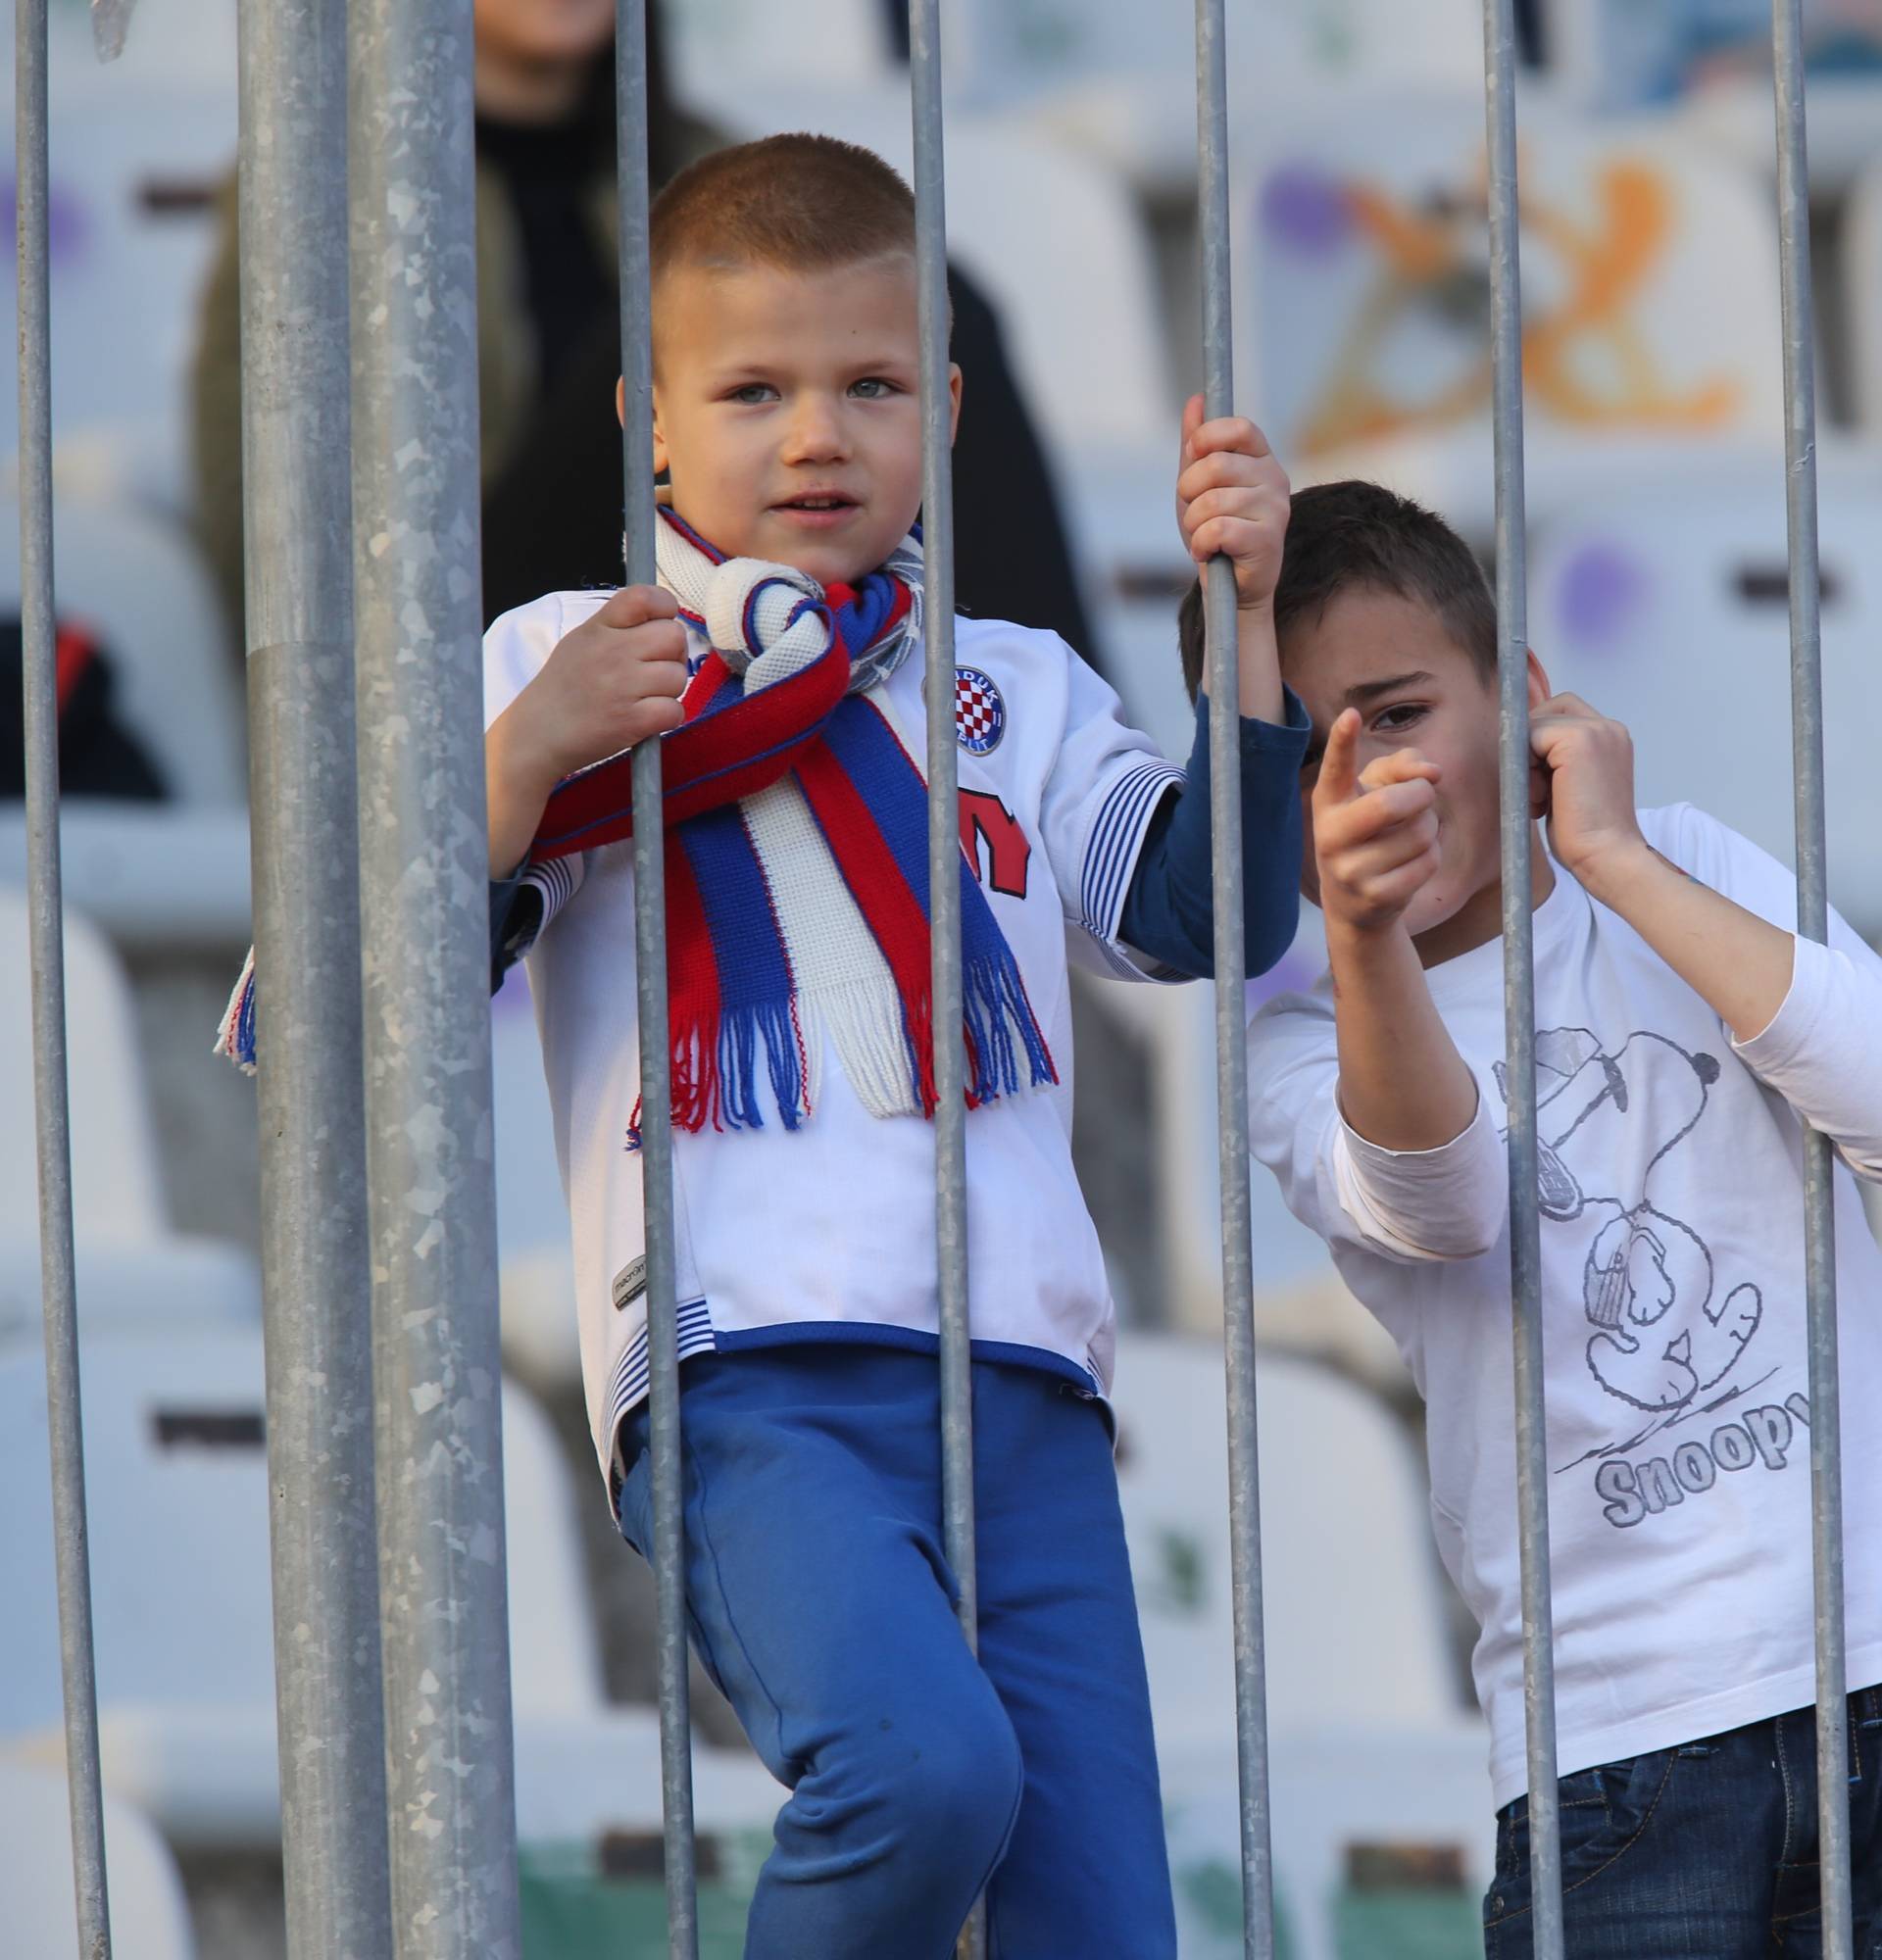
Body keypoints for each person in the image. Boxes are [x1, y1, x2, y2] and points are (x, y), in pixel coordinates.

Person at [207, 131, 1309, 1954]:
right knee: (922, 1772)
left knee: (1106, 1922)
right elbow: (335, 1006)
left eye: (870, 385)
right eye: (756, 389)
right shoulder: (564, 660)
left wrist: (1246, 629)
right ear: (647, 419)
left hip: (1024, 1386)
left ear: (945, 411)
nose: (817, 434)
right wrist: (525, 755)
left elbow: (1213, 912)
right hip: (752, 1376)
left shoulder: (1017, 681)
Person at [1172, 479, 1882, 1956]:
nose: (1364, 777)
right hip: (1618, 1751)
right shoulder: (1299, 1042)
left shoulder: (1679, 858)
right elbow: (1444, 1203)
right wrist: (1364, 944)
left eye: (1400, 711)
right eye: (1303, 753)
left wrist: (1616, 861)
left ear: (1531, 700)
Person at [190, 1, 1096, 656]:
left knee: (917, 304)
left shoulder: (699, 152)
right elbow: (262, 481)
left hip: (697, 570)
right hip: (452, 614)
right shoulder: (331, 175)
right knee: (669, 331)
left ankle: (1018, 740)